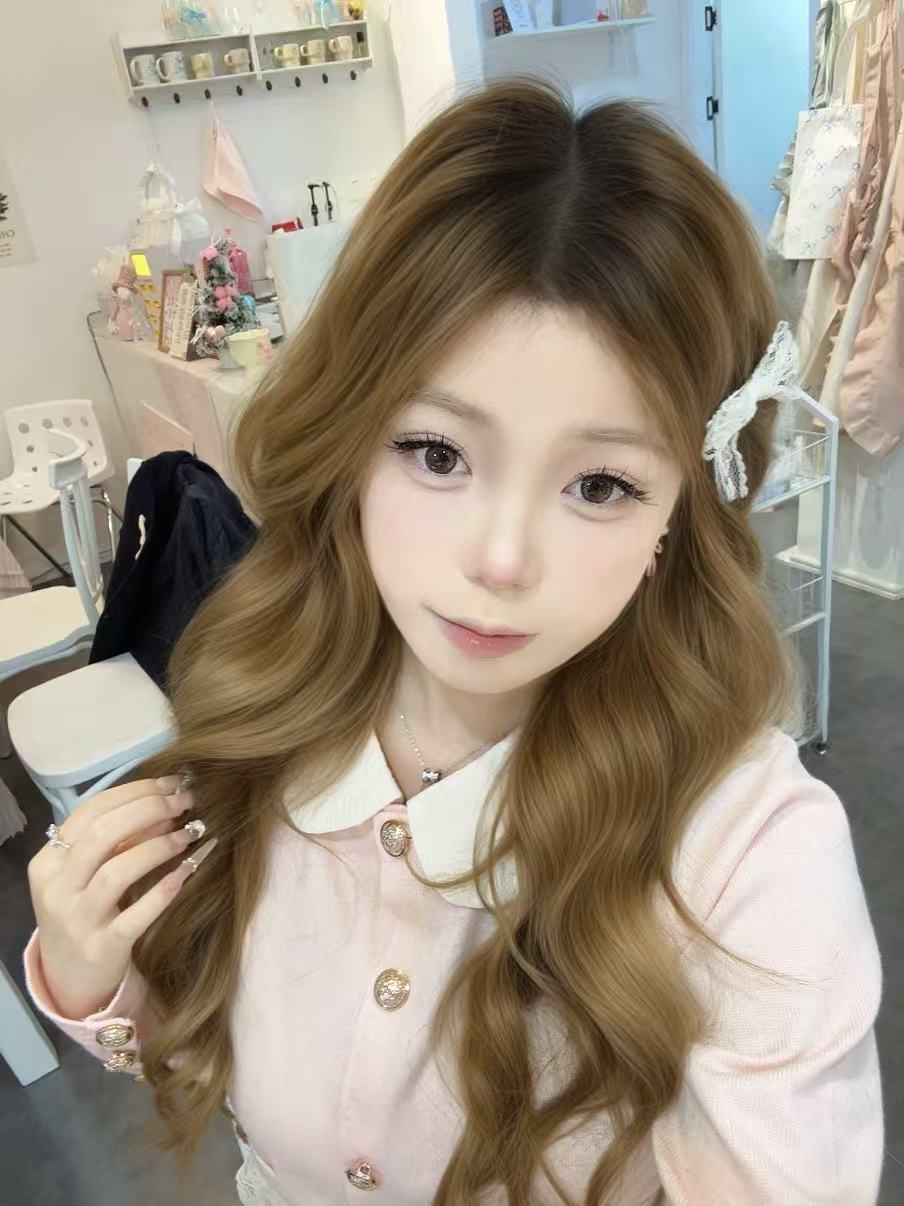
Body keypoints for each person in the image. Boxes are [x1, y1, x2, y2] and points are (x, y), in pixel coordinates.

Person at [23, 78, 883, 1205]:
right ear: (350, 439)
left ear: (679, 514)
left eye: (599, 484)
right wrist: (94, 978)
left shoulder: (746, 851)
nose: (500, 559)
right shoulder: (271, 708)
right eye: (437, 454)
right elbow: (202, 1053)